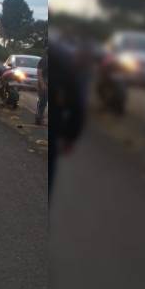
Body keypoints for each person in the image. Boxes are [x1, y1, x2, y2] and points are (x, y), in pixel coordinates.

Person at [48, 41, 85, 200]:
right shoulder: (64, 61)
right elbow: (78, 105)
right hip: (55, 128)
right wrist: (70, 137)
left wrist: (70, 136)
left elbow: (77, 104)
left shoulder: (61, 60)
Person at [36, 50, 49, 126]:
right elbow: (39, 72)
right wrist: (42, 84)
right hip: (44, 84)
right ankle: (39, 119)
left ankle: (40, 118)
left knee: (43, 102)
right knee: (42, 102)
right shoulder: (44, 60)